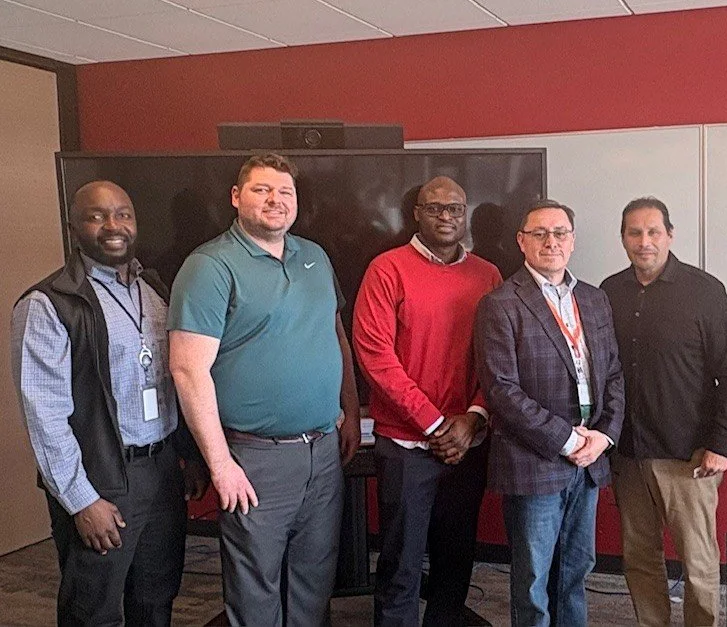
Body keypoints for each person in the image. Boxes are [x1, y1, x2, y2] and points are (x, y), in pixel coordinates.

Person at [168, 153, 361, 626]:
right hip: (255, 458)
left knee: (314, 584)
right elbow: (188, 370)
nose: (275, 200)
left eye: (285, 192)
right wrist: (220, 466)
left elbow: (336, 335)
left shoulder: (314, 256)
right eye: (262, 189)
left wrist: (352, 413)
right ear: (236, 197)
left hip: (323, 450)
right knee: (256, 592)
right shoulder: (209, 266)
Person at [11, 180, 208, 626]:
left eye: (122, 214)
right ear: (73, 228)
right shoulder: (49, 304)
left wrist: (188, 455)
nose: (113, 226)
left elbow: (171, 381)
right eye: (96, 216)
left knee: (156, 601)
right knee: (93, 611)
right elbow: (45, 417)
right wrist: (81, 501)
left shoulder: (154, 291)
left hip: (162, 473)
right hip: (101, 479)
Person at [352, 177, 502, 626]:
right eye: (434, 208)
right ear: (416, 214)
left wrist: (473, 418)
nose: (446, 216)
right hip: (406, 446)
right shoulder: (386, 270)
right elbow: (375, 356)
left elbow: (500, 361)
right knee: (400, 564)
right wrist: (436, 425)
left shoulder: (488, 275)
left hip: (468, 443)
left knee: (456, 561)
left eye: (455, 208)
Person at [474, 198, 625, 627]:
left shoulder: (595, 299)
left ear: (572, 241)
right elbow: (501, 389)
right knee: (533, 580)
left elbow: (613, 372)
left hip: (590, 457)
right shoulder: (500, 303)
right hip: (534, 460)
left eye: (560, 233)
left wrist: (604, 436)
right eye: (539, 233)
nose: (551, 242)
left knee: (576, 572)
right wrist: (568, 439)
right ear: (521, 241)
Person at [600, 197, 727, 627]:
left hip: (689, 456)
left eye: (653, 232)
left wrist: (720, 444)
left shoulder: (704, 291)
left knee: (697, 560)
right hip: (627, 453)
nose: (644, 241)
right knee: (639, 557)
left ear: (670, 235)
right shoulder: (609, 291)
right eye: (634, 233)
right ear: (623, 238)